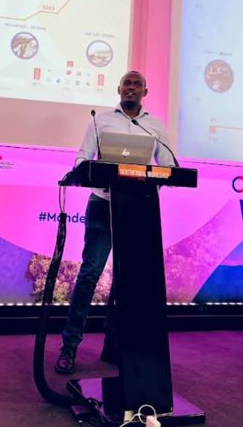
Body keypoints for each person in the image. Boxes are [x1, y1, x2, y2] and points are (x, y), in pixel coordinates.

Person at [55, 70, 176, 375]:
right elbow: (81, 159)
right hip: (103, 204)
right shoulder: (100, 121)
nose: (131, 88)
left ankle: (116, 347)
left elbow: (169, 166)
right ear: (119, 89)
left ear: (145, 92)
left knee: (128, 281)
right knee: (89, 274)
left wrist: (156, 179)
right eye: (127, 83)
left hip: (138, 209)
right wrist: (92, 171)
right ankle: (69, 346)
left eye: (137, 84)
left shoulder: (154, 125)